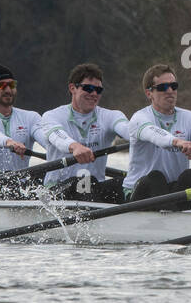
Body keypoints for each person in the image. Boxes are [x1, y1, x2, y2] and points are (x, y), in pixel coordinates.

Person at [0, 65, 68, 195]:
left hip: (20, 187)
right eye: (2, 85)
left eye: (12, 85)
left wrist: (66, 147)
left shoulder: (31, 117)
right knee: (9, 179)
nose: (8, 89)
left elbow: (46, 138)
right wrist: (8, 142)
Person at [37, 63, 128, 204]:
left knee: (128, 183)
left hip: (93, 189)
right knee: (81, 183)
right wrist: (75, 147)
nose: (94, 94)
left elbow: (128, 130)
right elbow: (57, 137)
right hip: (55, 191)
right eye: (88, 88)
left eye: (98, 90)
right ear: (72, 88)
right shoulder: (52, 116)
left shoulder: (111, 116)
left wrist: (143, 137)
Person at [123, 64, 191, 207]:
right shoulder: (139, 118)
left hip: (173, 191)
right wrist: (179, 142)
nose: (170, 91)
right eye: (163, 87)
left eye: (173, 86)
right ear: (149, 93)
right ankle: (171, 220)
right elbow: (155, 135)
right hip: (140, 193)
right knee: (155, 178)